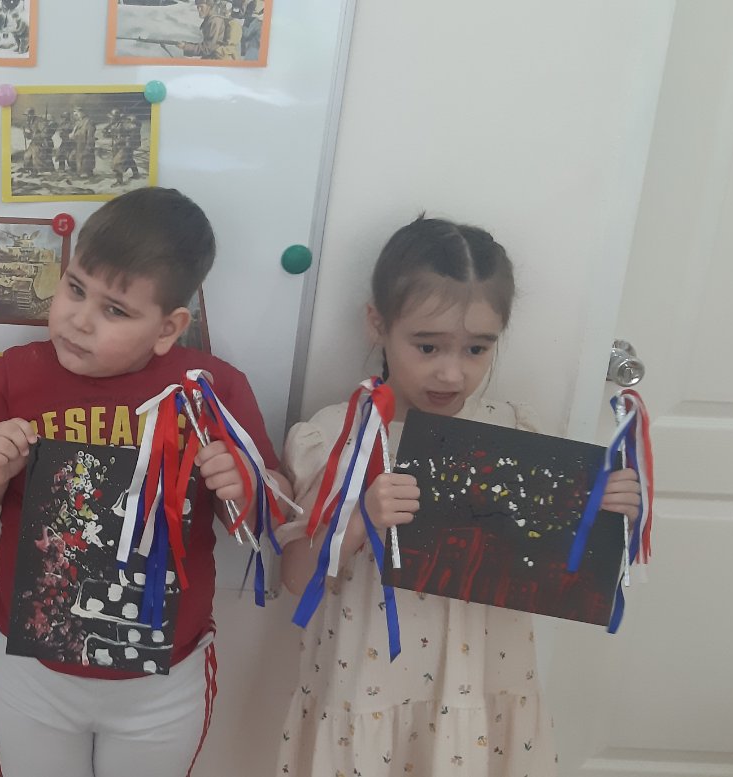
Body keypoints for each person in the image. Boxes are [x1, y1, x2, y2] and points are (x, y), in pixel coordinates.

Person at [0, 187, 292, 777]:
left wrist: (247, 485)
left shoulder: (212, 389)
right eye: (75, 288)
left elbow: (268, 522)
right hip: (32, 670)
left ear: (168, 328)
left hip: (163, 679)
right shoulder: (16, 373)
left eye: (115, 311)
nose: (79, 319)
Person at [274, 215, 644, 776]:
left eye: (476, 349)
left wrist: (603, 512)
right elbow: (296, 578)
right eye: (427, 346)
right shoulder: (335, 437)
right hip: (370, 687)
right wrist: (361, 519)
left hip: (483, 687)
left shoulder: (514, 431)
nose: (452, 373)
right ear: (378, 324)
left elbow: (557, 563)